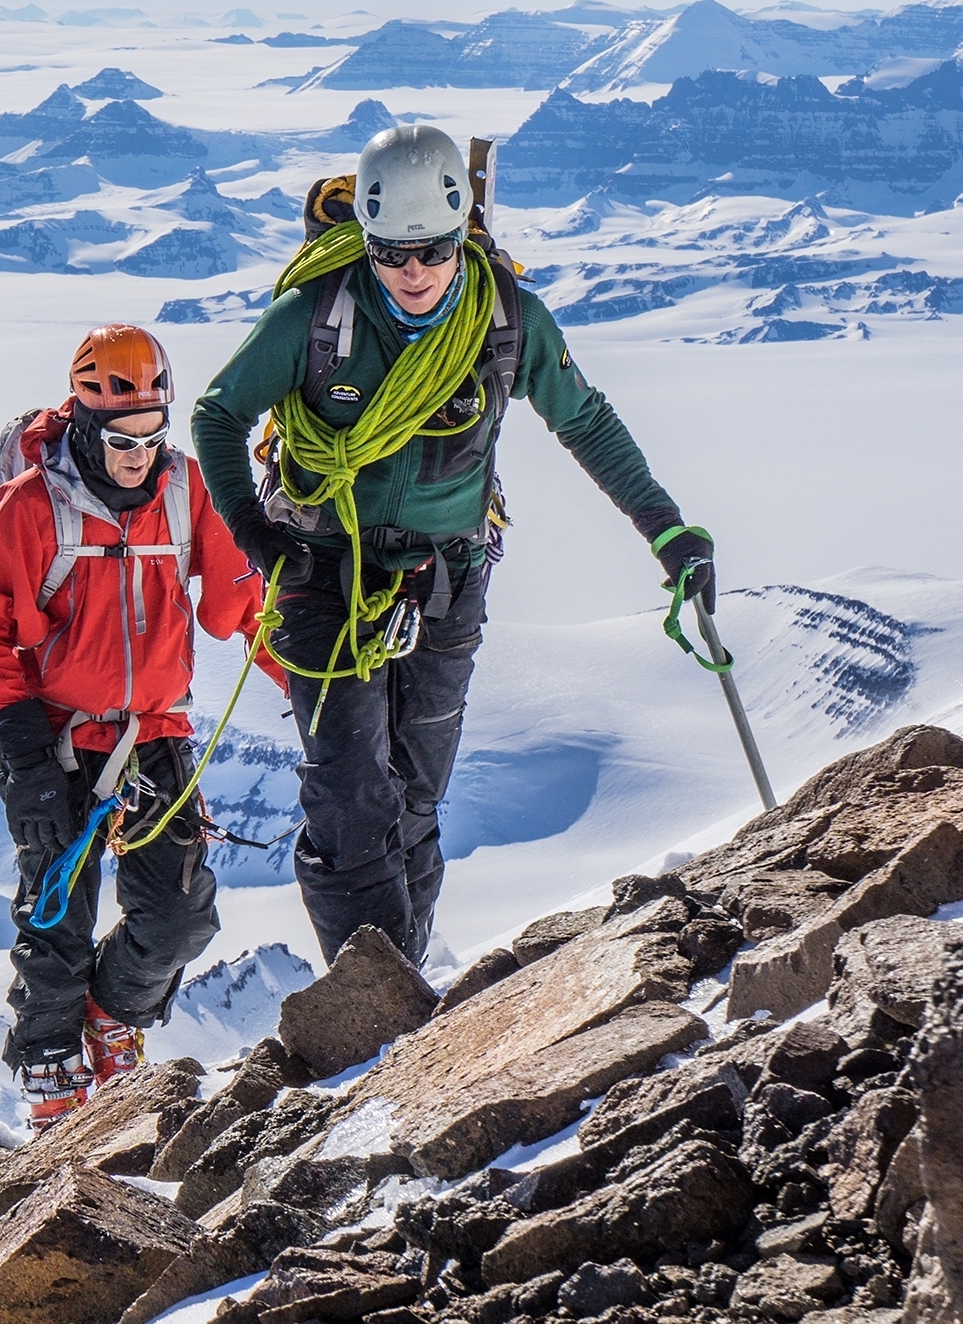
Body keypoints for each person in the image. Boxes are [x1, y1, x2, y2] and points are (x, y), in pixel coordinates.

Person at [190, 125, 713, 971]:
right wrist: (254, 531)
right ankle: (378, 1006)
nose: (415, 271)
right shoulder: (317, 317)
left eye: (433, 249)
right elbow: (218, 412)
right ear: (366, 240)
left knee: (416, 797)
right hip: (325, 572)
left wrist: (666, 526)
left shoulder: (505, 319)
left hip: (447, 577)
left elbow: (583, 419)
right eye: (392, 252)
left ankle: (396, 989)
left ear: (460, 232)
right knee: (349, 796)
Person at [0, 325, 277, 1128]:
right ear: (85, 426)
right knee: (57, 914)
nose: (139, 454)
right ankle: (52, 1077)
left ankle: (111, 1013)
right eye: (121, 439)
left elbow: (241, 604)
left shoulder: (185, 490)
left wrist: (314, 684)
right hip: (55, 737)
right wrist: (19, 737)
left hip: (155, 734)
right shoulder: (27, 507)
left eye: (152, 436)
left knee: (180, 916)